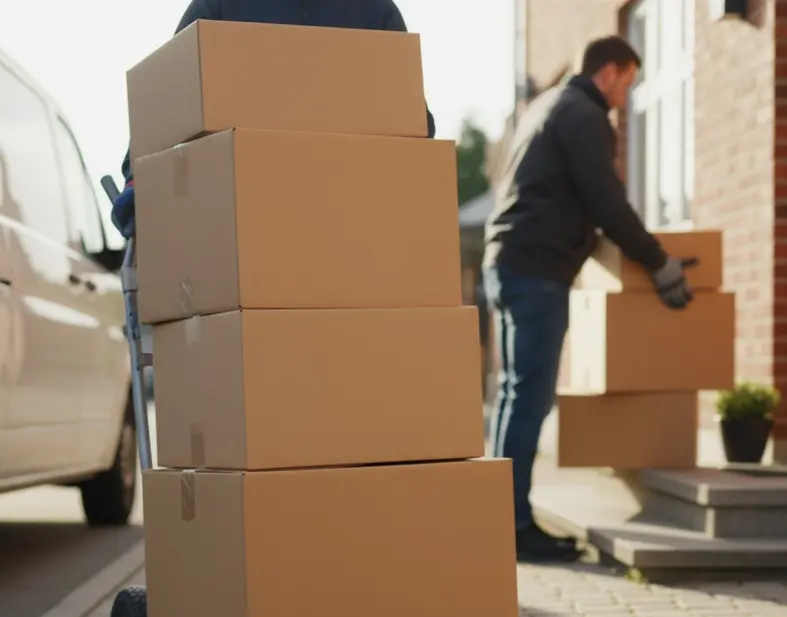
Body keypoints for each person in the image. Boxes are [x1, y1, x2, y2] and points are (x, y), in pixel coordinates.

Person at [483, 35, 694, 563]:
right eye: (628, 84)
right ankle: (512, 528)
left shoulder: (550, 105)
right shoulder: (584, 115)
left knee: (513, 395)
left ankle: (499, 519)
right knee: (528, 398)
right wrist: (658, 262)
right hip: (535, 269)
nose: (626, 99)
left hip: (508, 261)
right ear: (611, 72)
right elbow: (606, 201)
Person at [110, 0, 436, 238]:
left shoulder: (374, 12)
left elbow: (414, 126)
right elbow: (169, 99)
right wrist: (137, 180)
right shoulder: (221, 7)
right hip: (240, 219)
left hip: (346, 220)